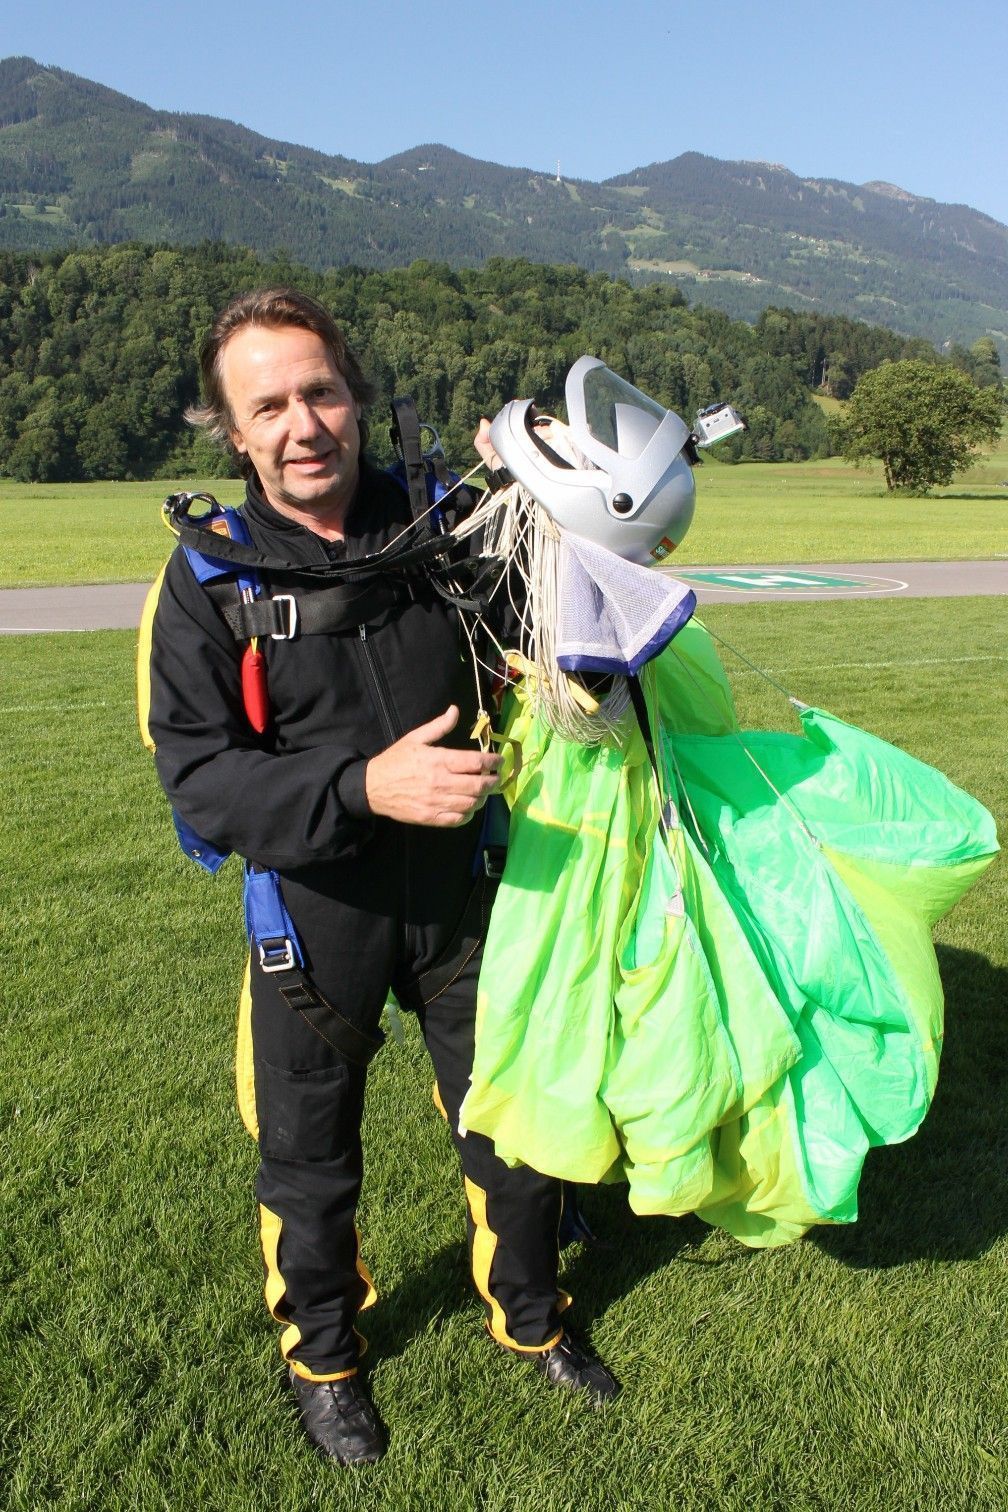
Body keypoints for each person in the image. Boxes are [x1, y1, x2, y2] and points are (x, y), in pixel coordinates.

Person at [141, 288, 618, 1468]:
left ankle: (535, 1319)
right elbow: (200, 778)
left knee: (512, 1133)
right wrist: (363, 789)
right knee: (307, 1159)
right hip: (315, 923)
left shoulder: (452, 532)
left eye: (320, 390)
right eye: (270, 406)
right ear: (235, 433)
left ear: (356, 397)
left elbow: (558, 635)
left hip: (466, 900)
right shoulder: (208, 583)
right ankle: (328, 1359)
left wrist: (570, 511)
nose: (303, 422)